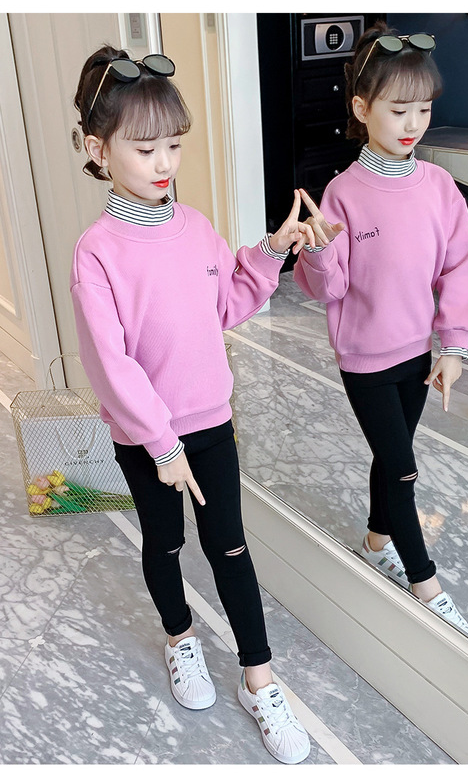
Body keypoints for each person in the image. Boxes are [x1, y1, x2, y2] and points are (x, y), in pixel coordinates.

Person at [71, 45, 311, 764]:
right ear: (98, 149)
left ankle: (259, 679)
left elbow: (225, 305)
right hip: (148, 440)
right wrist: (161, 444)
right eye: (145, 148)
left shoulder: (198, 228)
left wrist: (271, 251)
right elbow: (109, 364)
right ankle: (181, 641)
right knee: (165, 543)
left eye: (173, 145)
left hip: (212, 425)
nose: (164, 162)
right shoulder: (96, 252)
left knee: (230, 546)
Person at [293, 22, 468, 645]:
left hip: (417, 353)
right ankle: (425, 582)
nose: (412, 124)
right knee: (403, 466)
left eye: (422, 109)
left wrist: (453, 346)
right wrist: (319, 249)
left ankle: (377, 541)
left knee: (390, 455)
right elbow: (329, 287)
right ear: (361, 109)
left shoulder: (439, 187)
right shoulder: (343, 194)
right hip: (364, 358)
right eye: (398, 109)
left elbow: (460, 266)